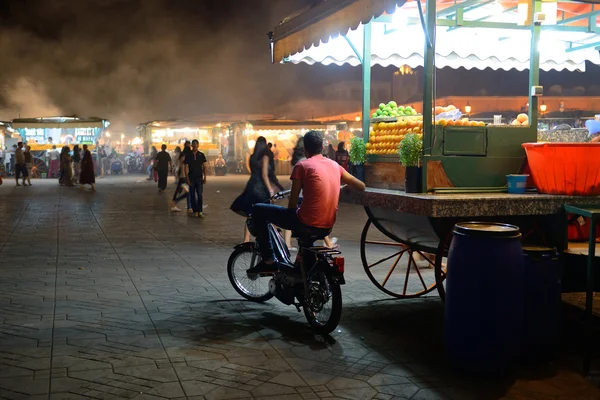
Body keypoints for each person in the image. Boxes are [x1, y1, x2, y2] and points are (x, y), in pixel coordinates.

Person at [248, 131, 365, 273]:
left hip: (306, 223)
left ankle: (269, 260)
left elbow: (292, 204)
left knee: (259, 209)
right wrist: (341, 187)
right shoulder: (335, 166)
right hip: (328, 225)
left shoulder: (302, 166)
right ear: (322, 148)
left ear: (305, 149)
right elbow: (361, 186)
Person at [231, 136, 275, 242]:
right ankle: (269, 237)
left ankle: (246, 240)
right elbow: (264, 175)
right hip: (261, 189)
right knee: (268, 213)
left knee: (250, 214)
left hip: (251, 186)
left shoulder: (251, 157)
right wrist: (271, 190)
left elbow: (251, 170)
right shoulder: (265, 157)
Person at [184, 139, 207, 218]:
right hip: (191, 178)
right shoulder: (188, 155)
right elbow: (186, 167)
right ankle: (195, 210)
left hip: (199, 178)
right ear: (191, 146)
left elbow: (204, 167)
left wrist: (205, 177)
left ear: (198, 145)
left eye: (196, 144)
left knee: (200, 194)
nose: (194, 146)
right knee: (192, 195)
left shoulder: (201, 155)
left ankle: (200, 211)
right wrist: (187, 178)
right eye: (193, 144)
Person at [170, 141, 191, 212]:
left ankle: (189, 207)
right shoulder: (183, 156)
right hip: (184, 177)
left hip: (184, 177)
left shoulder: (183, 155)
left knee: (185, 191)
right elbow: (183, 166)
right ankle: (175, 202)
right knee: (188, 192)